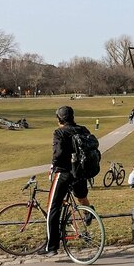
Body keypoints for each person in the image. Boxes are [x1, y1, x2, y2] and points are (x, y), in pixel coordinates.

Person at [40, 105, 95, 257]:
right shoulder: (83, 130)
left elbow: (58, 155)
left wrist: (53, 166)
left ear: (59, 119)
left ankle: (51, 246)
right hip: (80, 173)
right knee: (81, 196)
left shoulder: (59, 132)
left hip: (64, 173)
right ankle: (89, 211)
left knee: (53, 207)